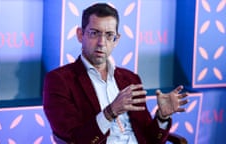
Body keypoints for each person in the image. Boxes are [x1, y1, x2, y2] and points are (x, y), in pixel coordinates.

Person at [43, 3, 188, 144]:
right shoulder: (59, 80)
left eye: (109, 35)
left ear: (116, 40)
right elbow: (74, 139)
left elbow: (150, 139)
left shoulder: (130, 79)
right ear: (80, 35)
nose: (101, 42)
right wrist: (110, 112)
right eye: (94, 33)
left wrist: (162, 117)